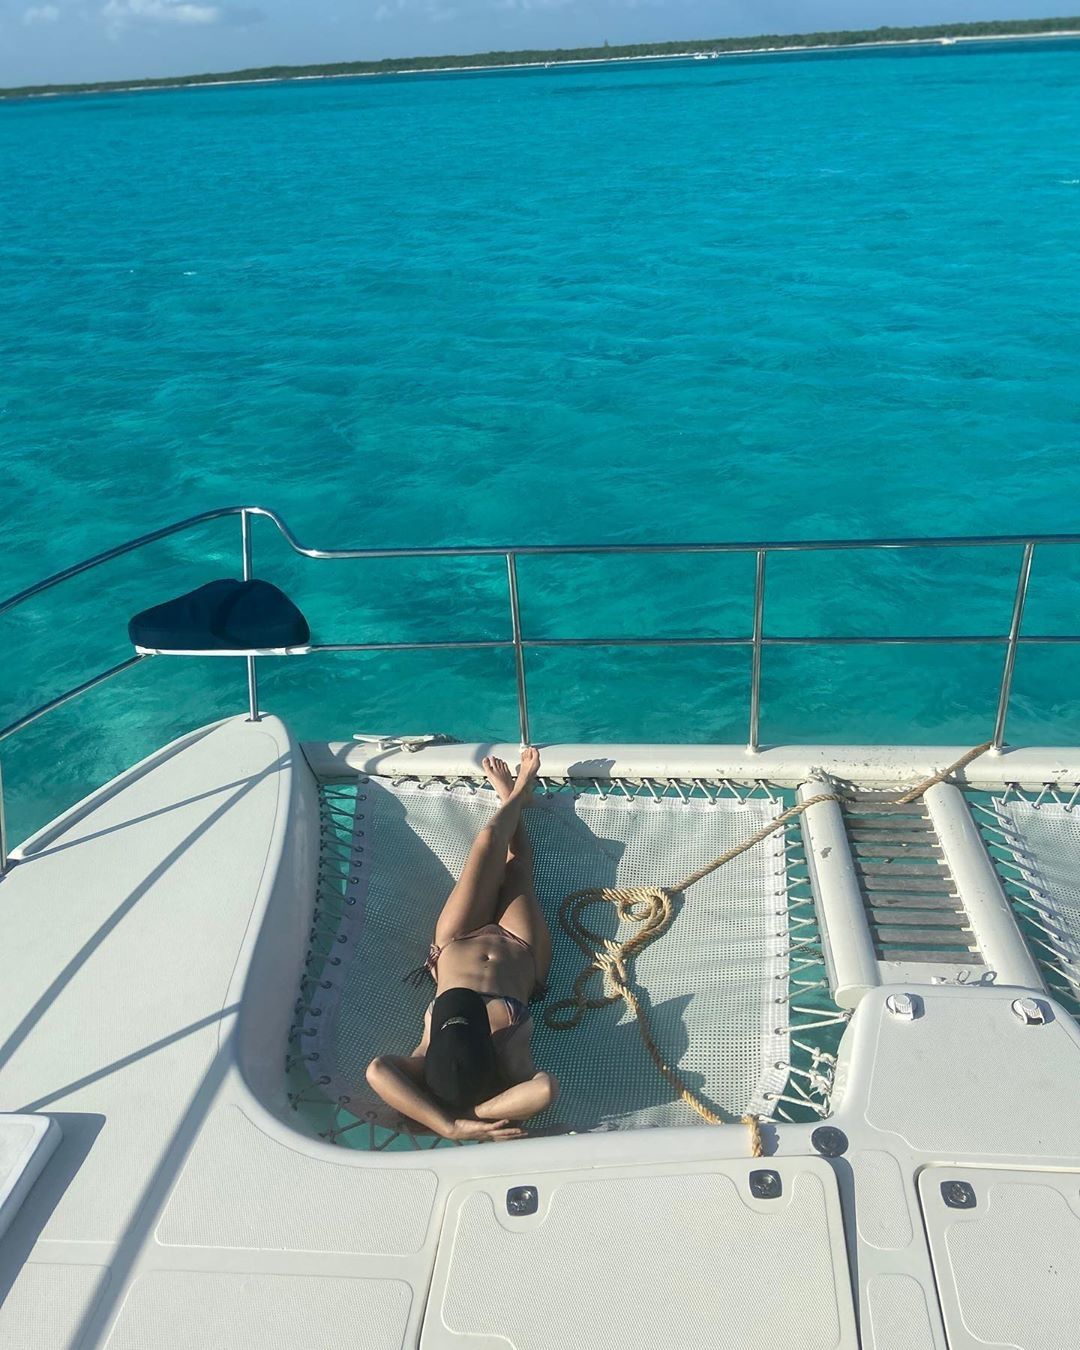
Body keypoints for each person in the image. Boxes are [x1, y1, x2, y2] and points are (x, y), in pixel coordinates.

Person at [365, 747, 558, 1141]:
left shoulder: (425, 1061)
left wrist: (449, 1125)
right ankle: (514, 796)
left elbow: (377, 1070)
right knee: (517, 868)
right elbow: (544, 1090)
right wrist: (476, 1117)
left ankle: (516, 793)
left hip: (455, 941)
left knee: (487, 840)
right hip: (521, 950)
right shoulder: (509, 1057)